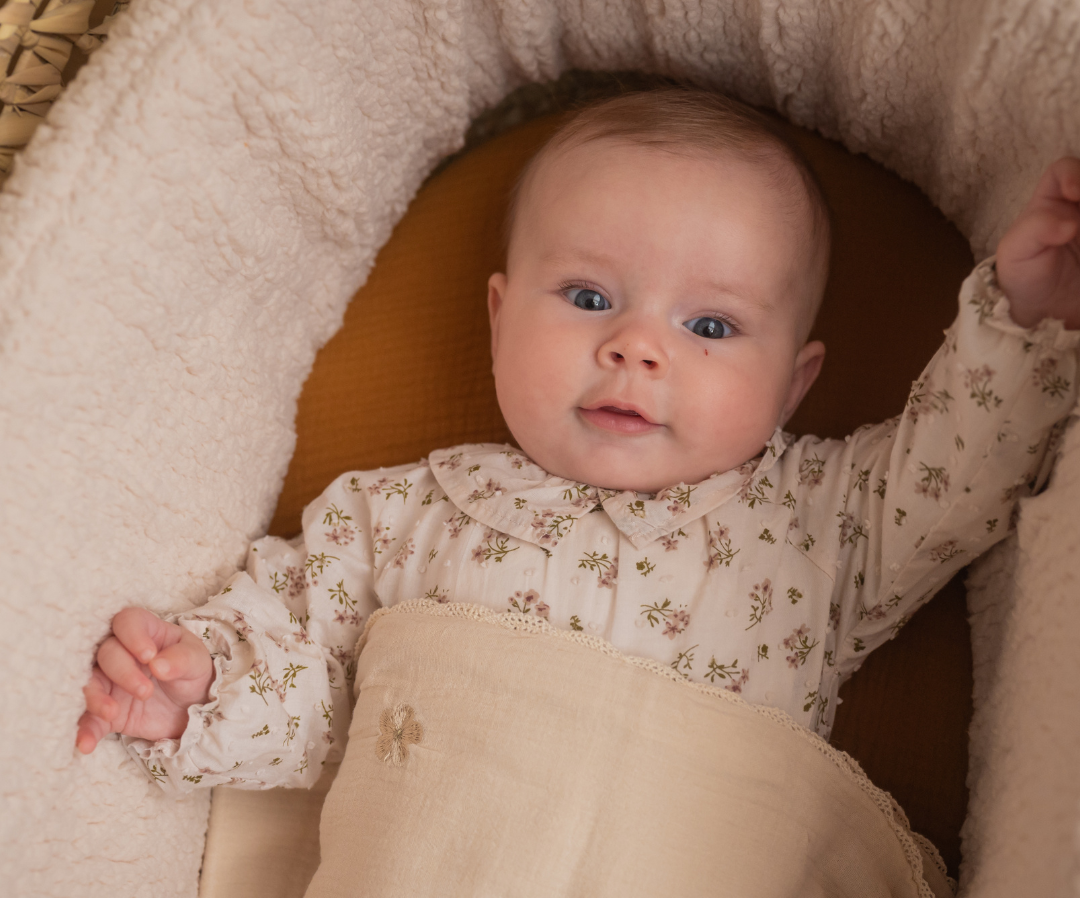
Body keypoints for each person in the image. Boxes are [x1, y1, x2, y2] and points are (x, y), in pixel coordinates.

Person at [75, 90, 1080, 798]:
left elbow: (966, 464)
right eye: (591, 298)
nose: (636, 347)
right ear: (501, 317)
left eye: (712, 327)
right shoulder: (402, 517)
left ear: (794, 384)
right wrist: (201, 689)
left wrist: (1027, 314)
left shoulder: (828, 523)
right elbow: (312, 701)